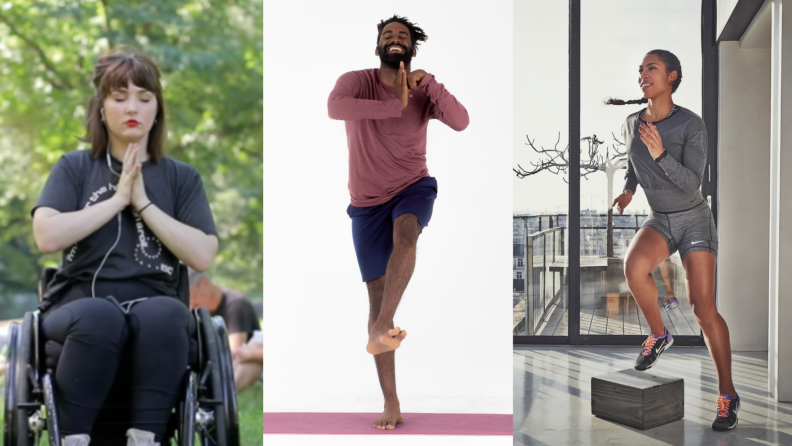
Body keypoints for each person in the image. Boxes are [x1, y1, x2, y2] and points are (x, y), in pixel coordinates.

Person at [32, 46, 218, 446]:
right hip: (76, 306)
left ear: (157, 109)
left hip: (156, 304)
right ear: (101, 107)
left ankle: (145, 438)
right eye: (119, 98)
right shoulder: (74, 167)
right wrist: (116, 200)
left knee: (166, 314)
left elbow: (202, 253)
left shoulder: (181, 178)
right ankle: (74, 438)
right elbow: (46, 235)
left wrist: (143, 203)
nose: (132, 107)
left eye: (144, 98)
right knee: (100, 316)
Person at [327, 15, 468, 430]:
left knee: (407, 233)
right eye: (387, 35)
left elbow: (460, 121)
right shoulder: (355, 81)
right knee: (376, 296)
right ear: (377, 48)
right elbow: (335, 108)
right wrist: (395, 104)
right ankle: (392, 403)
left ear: (412, 49)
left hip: (413, 186)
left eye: (402, 36)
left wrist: (429, 84)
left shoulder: (424, 91)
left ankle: (382, 326)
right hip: (366, 203)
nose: (395, 40)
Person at [610, 50, 738, 431]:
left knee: (703, 309)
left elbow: (692, 182)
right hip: (660, 219)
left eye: (651, 68)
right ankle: (659, 333)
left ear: (672, 76)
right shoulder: (632, 121)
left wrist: (660, 153)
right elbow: (635, 162)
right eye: (640, 69)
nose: (642, 75)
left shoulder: (691, 125)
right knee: (634, 268)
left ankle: (728, 396)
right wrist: (629, 190)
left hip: (694, 219)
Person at [188, 268, 262, 392]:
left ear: (205, 283)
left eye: (193, 296)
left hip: (243, 364)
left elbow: (232, 352)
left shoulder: (235, 304)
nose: (192, 303)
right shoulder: (200, 309)